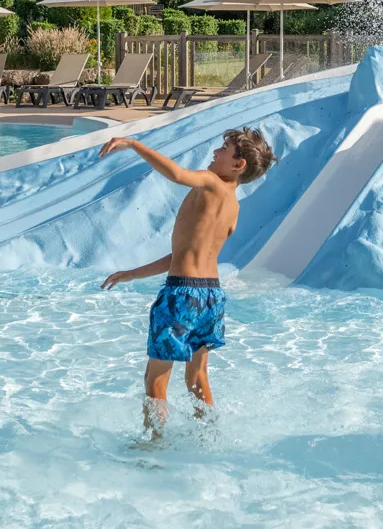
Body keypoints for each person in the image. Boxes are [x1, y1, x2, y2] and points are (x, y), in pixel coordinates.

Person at [98, 127, 277, 437]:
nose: (216, 152)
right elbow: (183, 256)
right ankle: (210, 435)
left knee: (155, 380)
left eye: (225, 149)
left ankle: (154, 448)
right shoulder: (233, 210)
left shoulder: (210, 183)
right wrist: (131, 273)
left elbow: (178, 174)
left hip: (181, 294)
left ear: (238, 165)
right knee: (197, 378)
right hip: (211, 297)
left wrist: (132, 143)